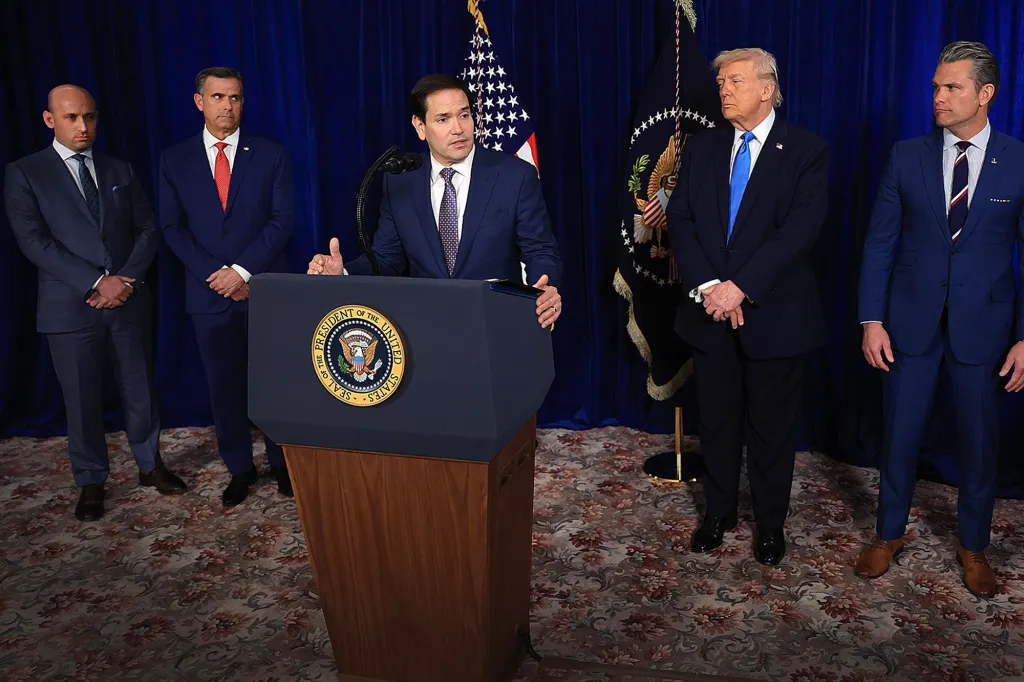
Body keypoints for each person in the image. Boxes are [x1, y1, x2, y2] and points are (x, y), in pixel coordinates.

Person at [855, 41, 1024, 598]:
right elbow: (879, 243)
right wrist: (870, 320)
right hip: (908, 323)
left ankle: (973, 546)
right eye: (935, 86)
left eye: (952, 87)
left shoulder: (1019, 161)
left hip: (986, 329)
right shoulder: (906, 155)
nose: (938, 97)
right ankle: (887, 534)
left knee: (979, 441)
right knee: (899, 433)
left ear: (986, 93)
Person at [666, 48, 830, 565]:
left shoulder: (807, 150)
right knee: (714, 422)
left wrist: (741, 286)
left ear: (767, 87)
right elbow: (681, 219)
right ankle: (718, 512)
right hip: (709, 310)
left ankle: (769, 524)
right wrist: (713, 285)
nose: (724, 89)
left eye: (735, 80)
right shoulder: (703, 147)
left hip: (775, 315)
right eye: (720, 83)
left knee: (772, 429)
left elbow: (799, 232)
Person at [4, 84, 186, 520]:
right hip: (69, 308)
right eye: (71, 118)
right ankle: (91, 481)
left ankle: (150, 464)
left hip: (128, 300)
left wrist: (125, 281)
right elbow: (33, 242)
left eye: (89, 116)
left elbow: (148, 230)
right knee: (81, 400)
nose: (83, 126)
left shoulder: (118, 167)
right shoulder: (25, 172)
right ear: (50, 120)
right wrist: (95, 282)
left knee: (140, 388)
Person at [306, 73, 563, 327]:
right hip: (428, 331)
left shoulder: (514, 176)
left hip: (497, 327)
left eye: (464, 115)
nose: (459, 129)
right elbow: (386, 260)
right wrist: (342, 274)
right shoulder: (400, 181)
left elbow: (540, 250)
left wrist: (544, 285)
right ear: (420, 127)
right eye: (443, 119)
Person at [158, 67, 295, 506]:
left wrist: (242, 272)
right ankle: (239, 467)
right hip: (208, 294)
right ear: (200, 102)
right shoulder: (174, 160)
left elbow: (282, 221)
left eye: (235, 97)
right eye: (218, 97)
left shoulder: (270, 154)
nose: (228, 106)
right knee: (225, 387)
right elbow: (172, 227)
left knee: (274, 382)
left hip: (263, 290)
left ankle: (281, 463)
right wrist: (217, 276)